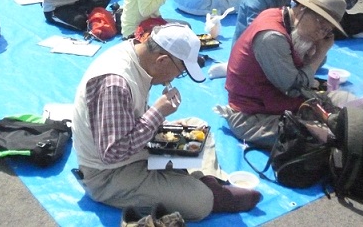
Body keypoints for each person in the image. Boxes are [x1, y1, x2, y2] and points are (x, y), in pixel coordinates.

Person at [72, 23, 261, 221]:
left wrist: (156, 121)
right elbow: (113, 153)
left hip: (133, 148)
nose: (175, 78)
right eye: (179, 72)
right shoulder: (115, 83)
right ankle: (203, 189)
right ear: (162, 60)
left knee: (197, 126)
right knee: (200, 203)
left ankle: (207, 182)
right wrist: (157, 112)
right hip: (108, 173)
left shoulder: (136, 53)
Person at [220, 0, 353, 149]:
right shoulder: (272, 36)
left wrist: (313, 54)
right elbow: (293, 88)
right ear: (302, 9)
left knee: (348, 102)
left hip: (280, 103)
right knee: (332, 138)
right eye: (320, 23)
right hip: (253, 117)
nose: (321, 33)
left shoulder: (285, 19)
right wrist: (319, 55)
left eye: (328, 29)